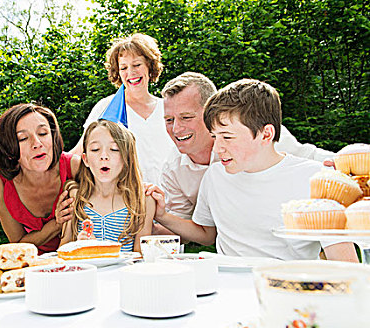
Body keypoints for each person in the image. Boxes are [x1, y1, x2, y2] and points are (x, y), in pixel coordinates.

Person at [152, 79, 357, 262]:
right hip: (227, 288)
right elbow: (207, 233)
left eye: (228, 137)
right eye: (215, 137)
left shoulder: (315, 180)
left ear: (266, 135)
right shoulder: (214, 176)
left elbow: (346, 266)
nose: (217, 148)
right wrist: (162, 215)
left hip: (288, 289)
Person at [156, 72, 336, 226]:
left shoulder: (257, 137)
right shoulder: (174, 169)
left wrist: (349, 161)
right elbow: (187, 225)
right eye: (169, 120)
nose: (176, 129)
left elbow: (309, 156)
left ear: (210, 113)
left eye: (186, 117)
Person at [70, 33, 174, 185]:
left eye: (137, 65)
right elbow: (79, 154)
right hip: (126, 201)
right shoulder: (107, 107)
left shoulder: (167, 107)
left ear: (149, 66)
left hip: (172, 202)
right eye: (123, 67)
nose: (131, 73)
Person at [0, 104, 81, 254]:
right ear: (9, 149)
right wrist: (56, 224)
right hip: (34, 264)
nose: (37, 144)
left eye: (43, 133)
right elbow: (18, 245)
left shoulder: (75, 167)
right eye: (23, 138)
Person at [60, 120, 155, 253]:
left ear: (126, 158)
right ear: (85, 159)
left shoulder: (143, 200)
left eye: (114, 149)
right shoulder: (75, 197)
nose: (104, 156)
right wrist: (78, 247)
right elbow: (63, 251)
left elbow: (140, 256)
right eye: (95, 149)